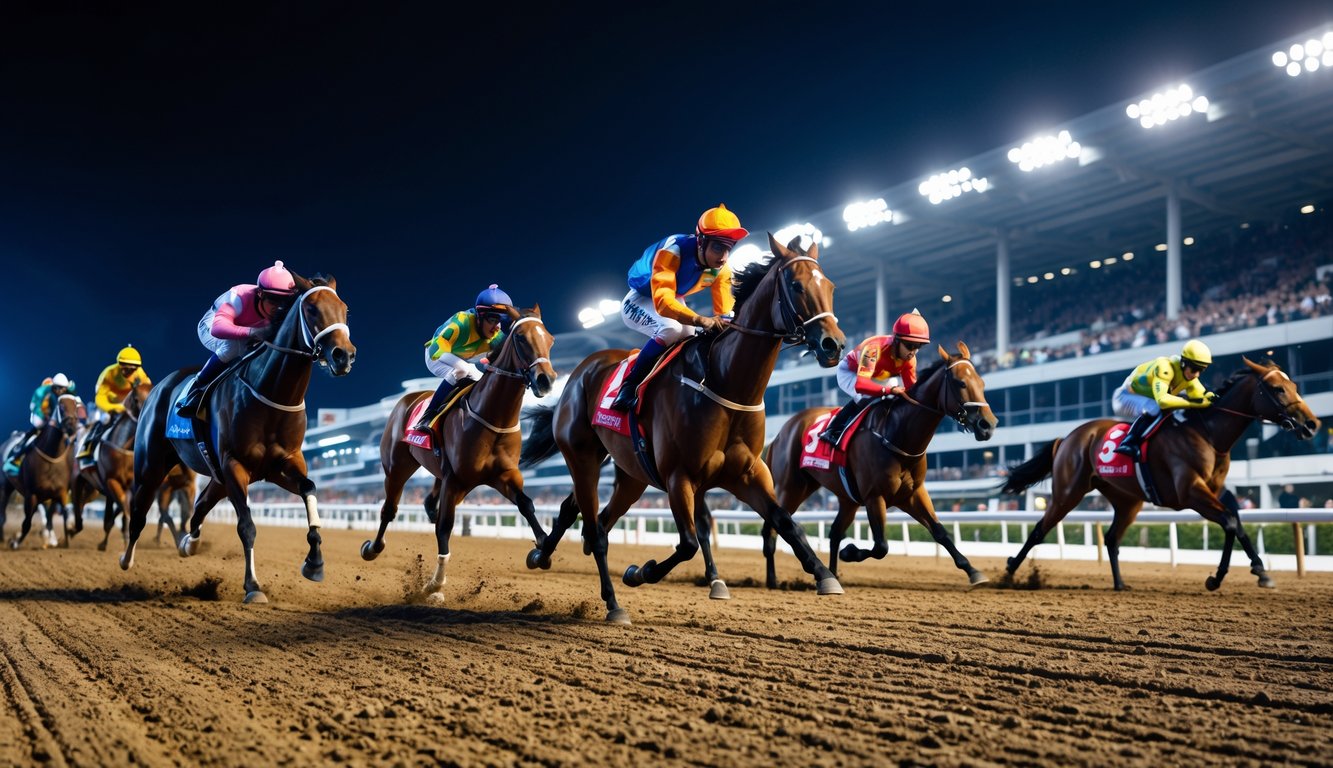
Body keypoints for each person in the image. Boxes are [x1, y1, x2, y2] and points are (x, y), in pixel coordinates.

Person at [608, 204, 747, 412]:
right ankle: (629, 385)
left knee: (690, 335)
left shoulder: (719, 270)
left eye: (729, 248)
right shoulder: (673, 250)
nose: (724, 257)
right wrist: (700, 319)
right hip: (639, 299)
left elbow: (724, 314)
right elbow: (663, 303)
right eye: (718, 247)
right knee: (671, 330)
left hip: (674, 297)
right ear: (701, 241)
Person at [176, 261, 300, 417]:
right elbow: (218, 329)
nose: (279, 306)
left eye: (285, 301)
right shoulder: (239, 297)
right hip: (211, 327)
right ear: (261, 293)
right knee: (234, 346)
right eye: (274, 300)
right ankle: (196, 389)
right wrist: (252, 331)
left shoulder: (282, 305)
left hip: (248, 331)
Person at [411, 284, 513, 435]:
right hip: (436, 355)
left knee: (482, 382)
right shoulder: (461, 322)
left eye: (500, 321)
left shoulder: (497, 337)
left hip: (464, 360)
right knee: (464, 369)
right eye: (492, 320)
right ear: (479, 317)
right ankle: (428, 416)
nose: (497, 327)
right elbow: (436, 349)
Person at [818, 309, 931, 445]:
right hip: (850, 372)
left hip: (878, 376)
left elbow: (912, 393)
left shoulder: (910, 360)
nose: (913, 352)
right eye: (909, 345)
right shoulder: (873, 349)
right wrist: (890, 390)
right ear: (897, 340)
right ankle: (833, 429)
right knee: (866, 397)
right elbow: (861, 385)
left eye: (918, 346)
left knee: (893, 398)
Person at [1111, 338, 1217, 462]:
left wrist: (1212, 397)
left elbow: (1200, 397)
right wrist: (1191, 403)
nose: (1197, 375)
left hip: (1144, 398)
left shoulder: (1189, 376)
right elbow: (1163, 401)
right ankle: (1128, 442)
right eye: (1194, 369)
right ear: (1184, 363)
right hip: (1124, 397)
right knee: (1155, 407)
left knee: (1172, 411)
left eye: (1201, 370)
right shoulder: (1164, 367)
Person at [81, 346, 152, 456]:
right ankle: (88, 448)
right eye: (124, 367)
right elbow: (99, 397)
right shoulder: (109, 373)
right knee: (104, 419)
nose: (127, 371)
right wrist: (113, 408)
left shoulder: (140, 374)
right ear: (119, 364)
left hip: (129, 404)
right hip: (110, 404)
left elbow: (147, 392)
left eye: (132, 369)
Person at [4, 373, 77, 473]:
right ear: (54, 387)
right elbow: (35, 406)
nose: (61, 392)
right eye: (59, 389)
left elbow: (72, 391)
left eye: (64, 389)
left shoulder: (63, 391)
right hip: (38, 414)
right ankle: (17, 456)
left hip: (52, 416)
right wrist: (46, 419)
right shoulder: (41, 391)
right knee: (39, 425)